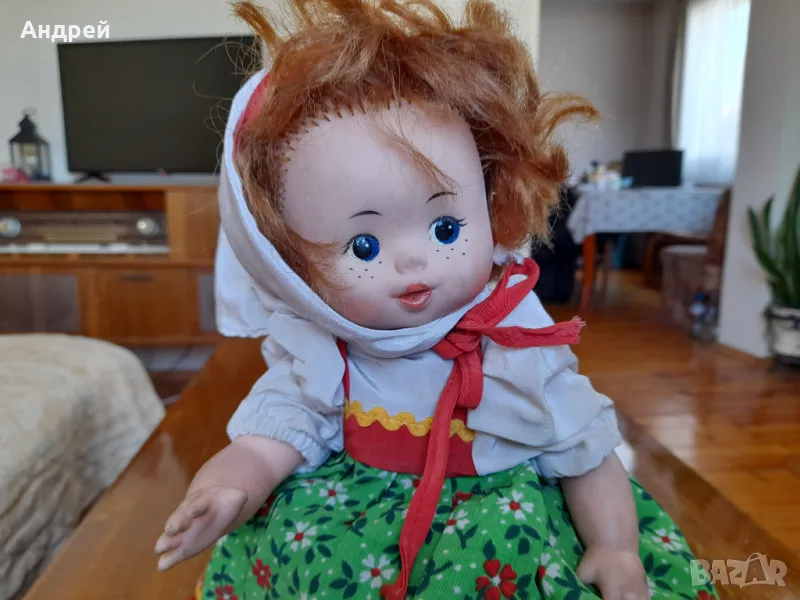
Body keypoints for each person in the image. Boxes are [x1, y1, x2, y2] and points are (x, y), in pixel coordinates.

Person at [154, 0, 718, 598]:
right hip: (353, 529)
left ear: (492, 202)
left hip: (501, 531)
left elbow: (583, 446)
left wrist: (613, 545)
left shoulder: (513, 340)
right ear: (289, 266)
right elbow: (270, 440)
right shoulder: (325, 351)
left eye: (446, 229)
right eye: (364, 245)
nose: (412, 262)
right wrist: (225, 487)